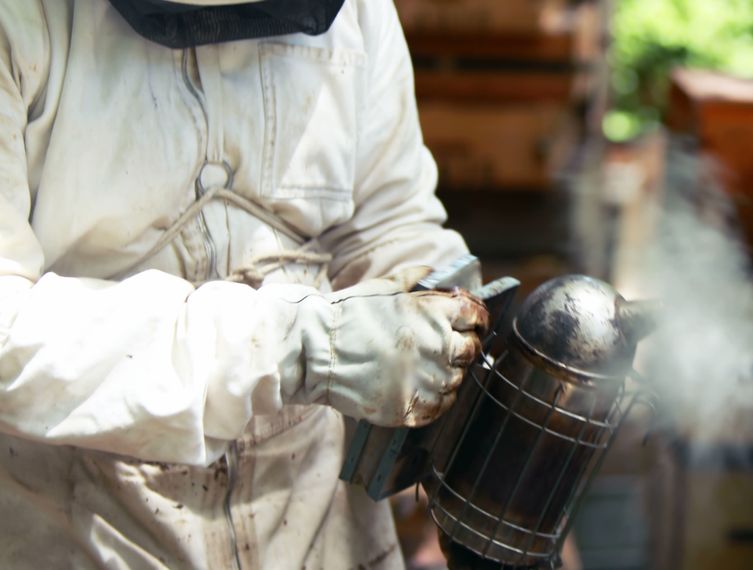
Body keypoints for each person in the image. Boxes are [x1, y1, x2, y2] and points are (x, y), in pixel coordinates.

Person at [0, 0, 489, 568]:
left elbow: (389, 221)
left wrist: (442, 328)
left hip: (321, 525)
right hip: (81, 529)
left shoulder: (358, 13)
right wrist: (289, 348)